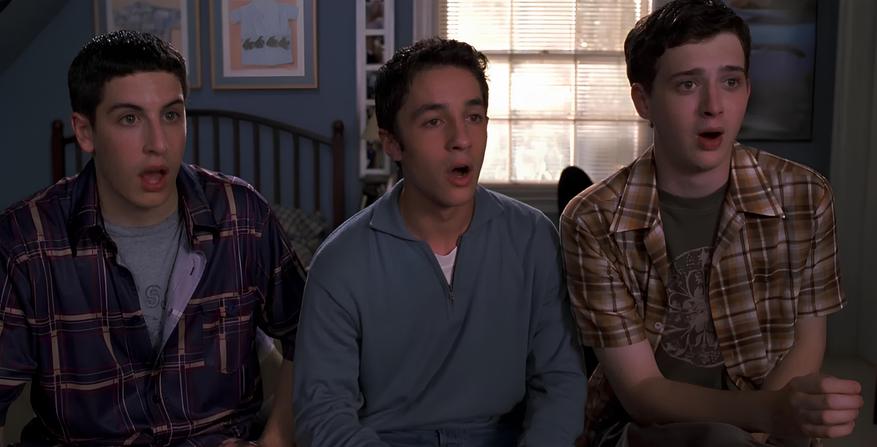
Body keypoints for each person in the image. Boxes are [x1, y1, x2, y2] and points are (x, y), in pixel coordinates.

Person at [559, 1, 863, 446]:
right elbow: (642, 391)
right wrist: (768, 413)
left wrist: (770, 426)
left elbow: (808, 342)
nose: (714, 106)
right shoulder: (592, 219)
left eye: (731, 81)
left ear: (747, 89)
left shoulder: (806, 195)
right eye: (687, 84)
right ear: (643, 100)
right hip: (644, 430)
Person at [0, 30, 303, 446]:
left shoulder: (243, 216)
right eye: (130, 118)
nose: (158, 144)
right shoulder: (25, 241)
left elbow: (309, 336)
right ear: (85, 132)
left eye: (172, 115)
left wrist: (276, 440)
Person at [293, 37, 586, 446]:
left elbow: (560, 382)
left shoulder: (533, 238)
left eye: (474, 117)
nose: (461, 138)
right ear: (392, 142)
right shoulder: (340, 263)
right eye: (434, 121)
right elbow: (323, 413)